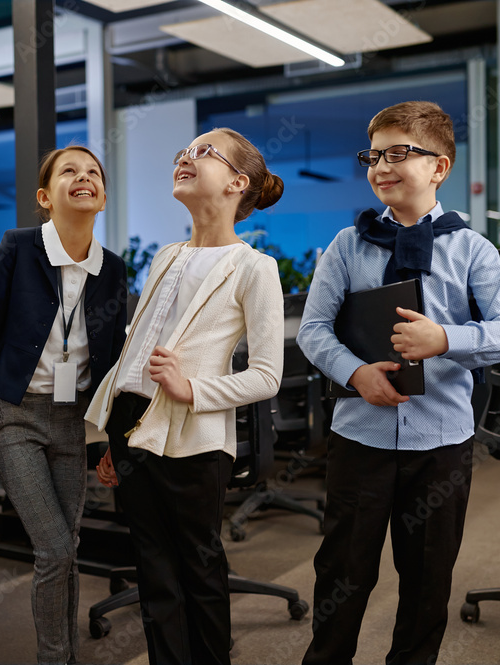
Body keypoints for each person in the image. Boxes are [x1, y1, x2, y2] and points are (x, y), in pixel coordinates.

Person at [296, 101, 500, 665]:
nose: (381, 165)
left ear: (440, 167)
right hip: (361, 436)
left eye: (399, 153)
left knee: (428, 577)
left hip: (440, 442)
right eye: (373, 154)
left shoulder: (472, 249)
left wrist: (446, 339)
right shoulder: (346, 246)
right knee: (343, 573)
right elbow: (313, 329)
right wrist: (355, 373)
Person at [87, 128, 285, 665]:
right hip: (132, 423)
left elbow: (267, 376)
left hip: (194, 432)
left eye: (203, 153)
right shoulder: (168, 256)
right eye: (183, 153)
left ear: (236, 183)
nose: (185, 159)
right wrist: (113, 432)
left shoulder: (253, 267)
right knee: (153, 567)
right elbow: (137, 349)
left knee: (198, 565)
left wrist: (191, 387)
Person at [0, 145, 127, 665]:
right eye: (69, 171)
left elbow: (113, 360)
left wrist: (110, 439)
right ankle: (55, 658)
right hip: (16, 416)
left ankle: (64, 653)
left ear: (102, 197)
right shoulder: (19, 248)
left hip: (75, 421)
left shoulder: (112, 269)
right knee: (54, 548)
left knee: (66, 547)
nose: (84, 177)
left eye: (94, 173)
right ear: (44, 197)